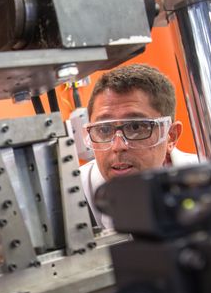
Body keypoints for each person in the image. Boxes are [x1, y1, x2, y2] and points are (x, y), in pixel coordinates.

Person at [80, 64, 198, 229]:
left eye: (135, 127)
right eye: (104, 129)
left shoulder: (209, 181)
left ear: (171, 136)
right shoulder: (72, 194)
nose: (118, 146)